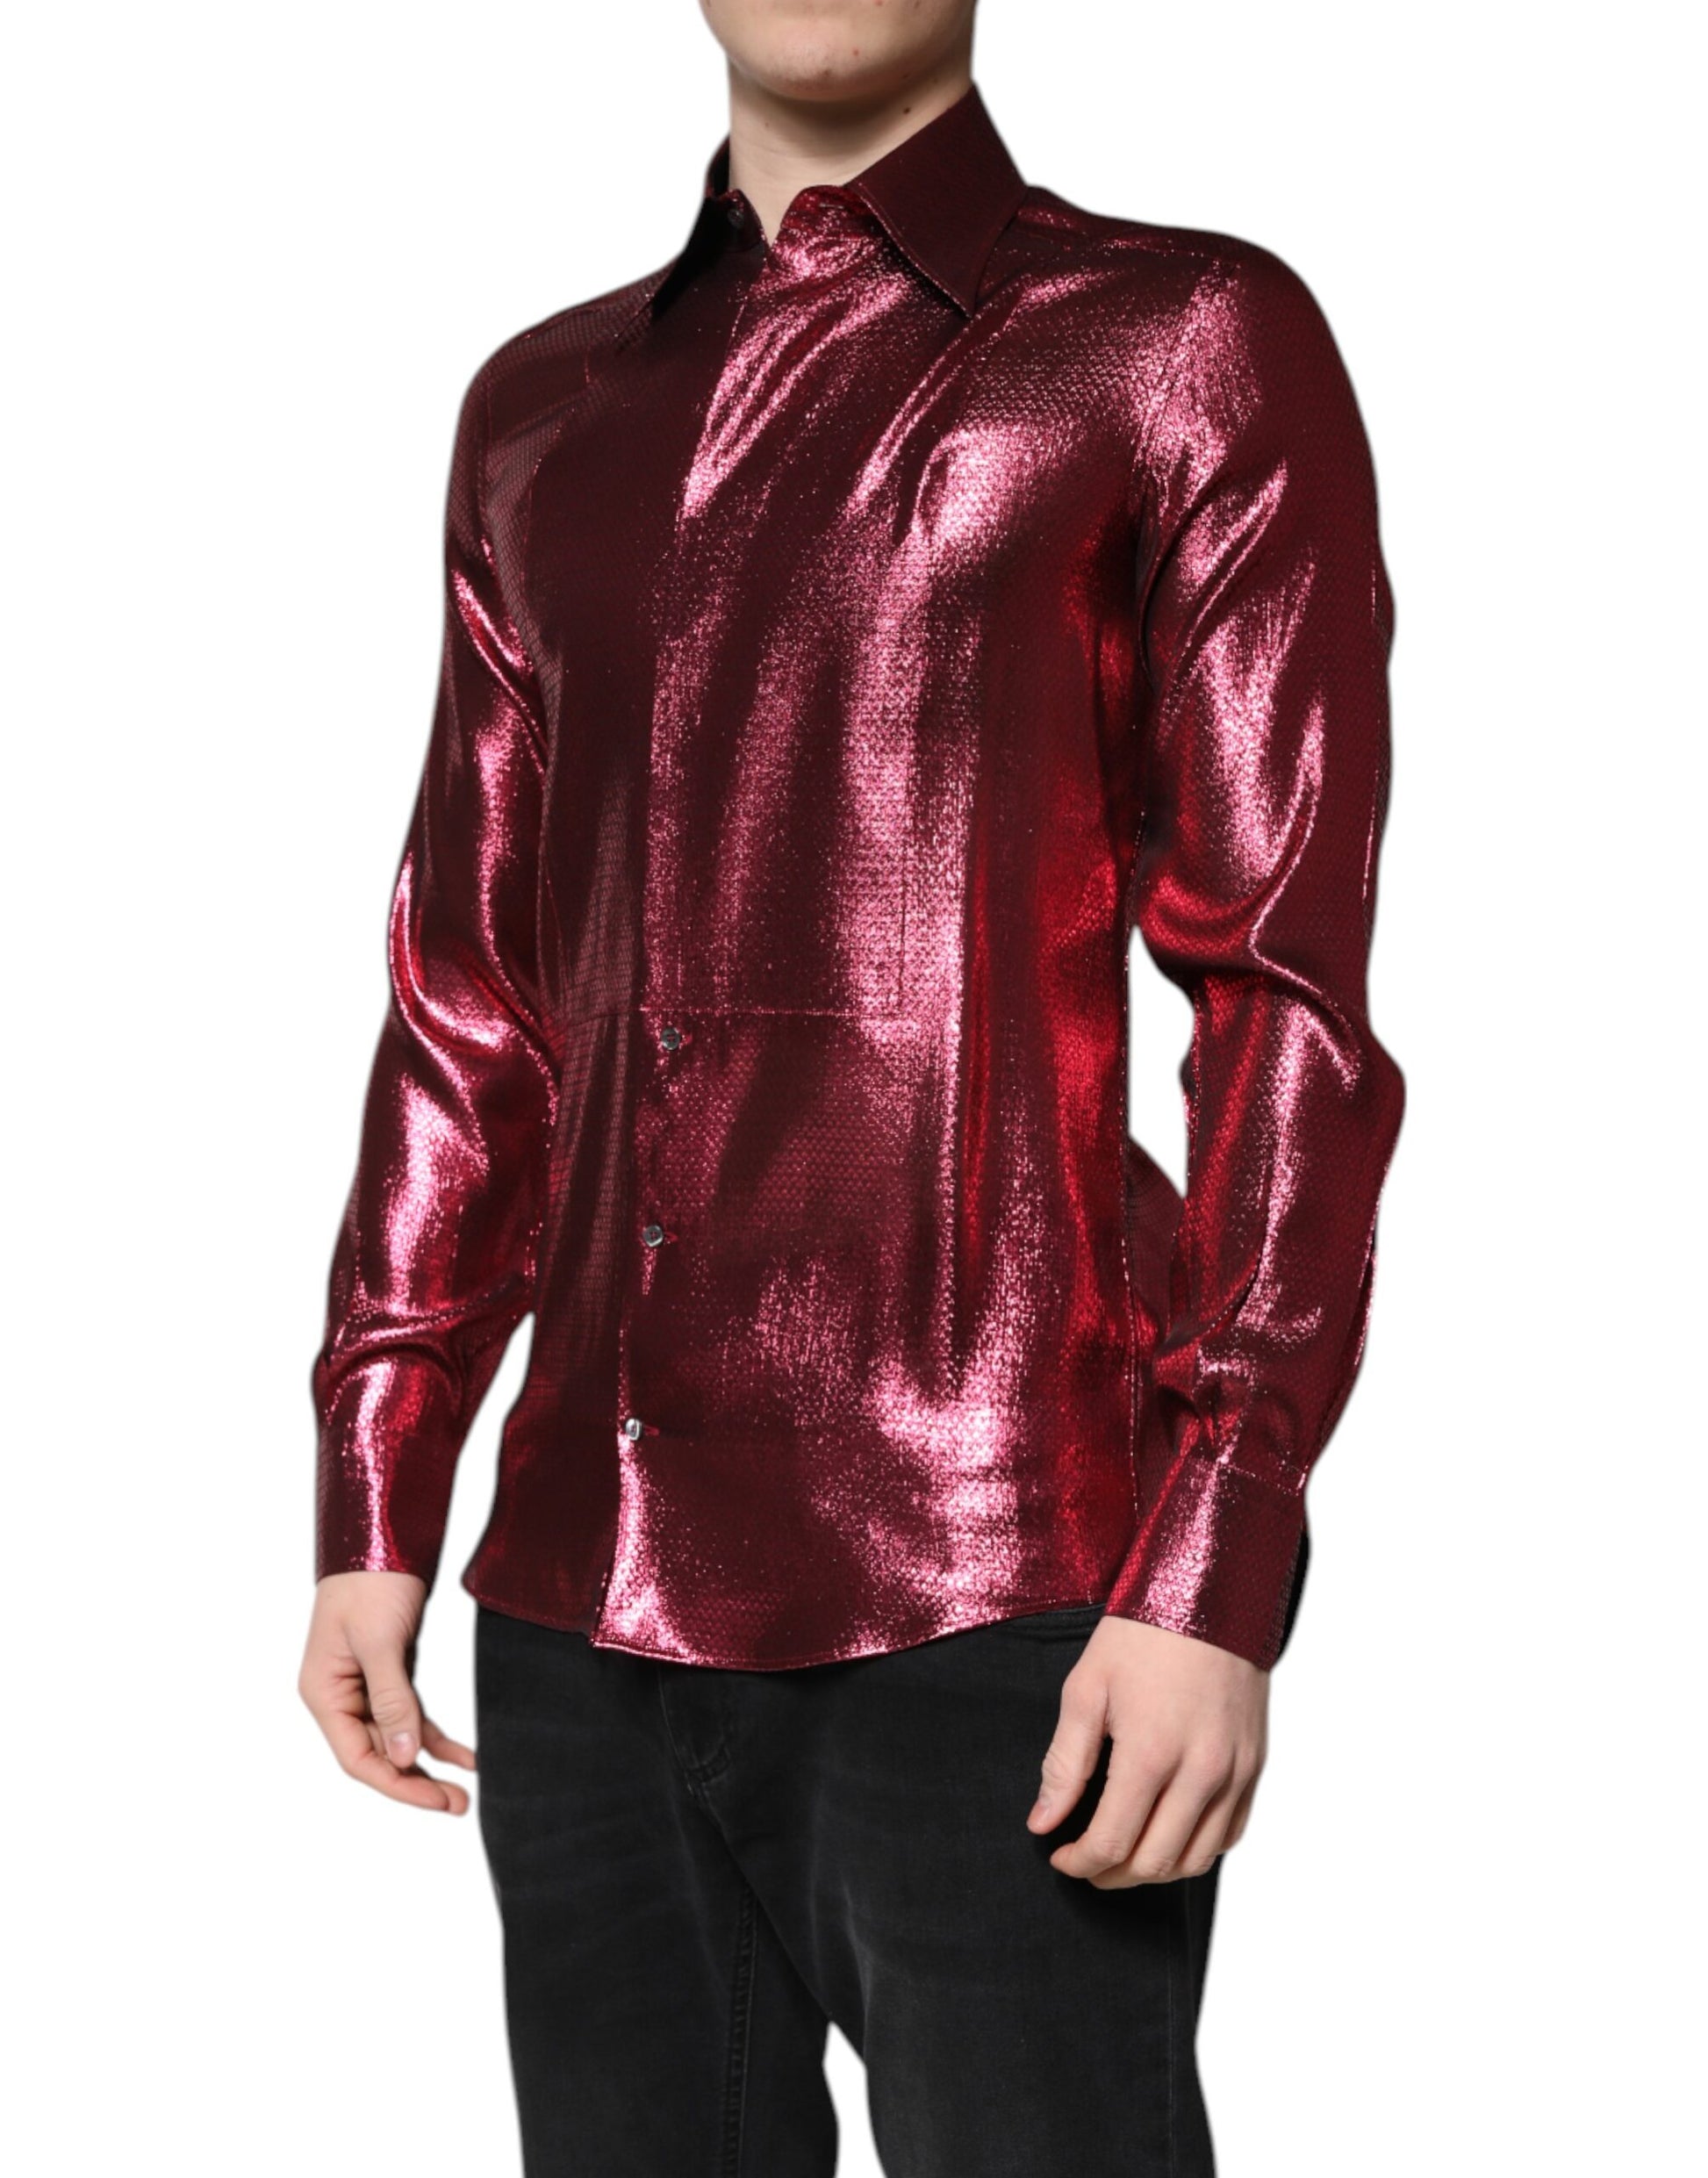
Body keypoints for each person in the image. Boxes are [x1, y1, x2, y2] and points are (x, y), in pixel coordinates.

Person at [298, 2, 1403, 2168]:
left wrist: (1218, 1544)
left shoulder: (1180, 341)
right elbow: (473, 992)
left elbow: (1285, 996)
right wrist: (378, 1473)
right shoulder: (540, 410)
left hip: (1006, 1581)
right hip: (580, 1591)